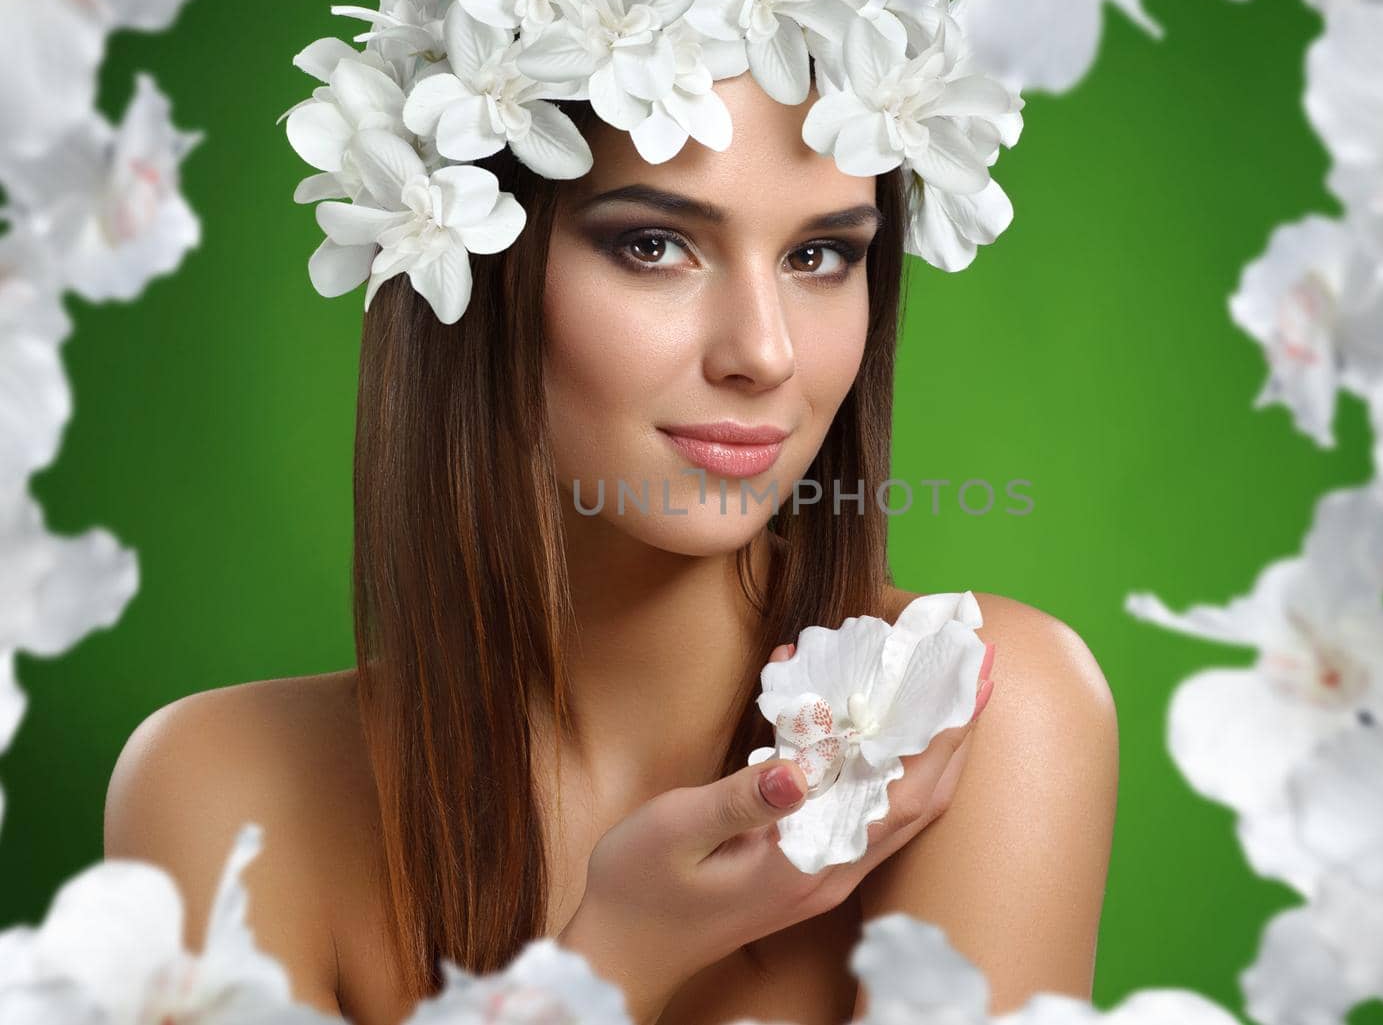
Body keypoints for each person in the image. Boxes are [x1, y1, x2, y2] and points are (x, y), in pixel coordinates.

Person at [102, 64, 1117, 1025]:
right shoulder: (221, 789)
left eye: (820, 255)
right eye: (653, 245)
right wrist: (616, 956)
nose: (763, 353)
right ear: (471, 261)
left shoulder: (975, 710)